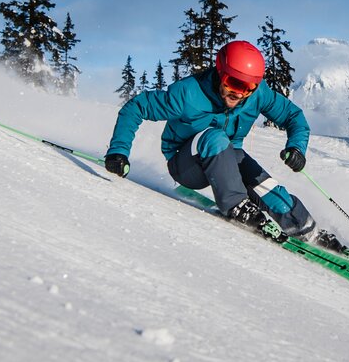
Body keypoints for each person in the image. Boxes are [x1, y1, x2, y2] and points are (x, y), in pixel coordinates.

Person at [102, 40, 317, 238]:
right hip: (186, 164)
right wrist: (118, 152)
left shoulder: (258, 95)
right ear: (221, 73)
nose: (239, 94)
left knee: (252, 171)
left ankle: (301, 225)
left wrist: (297, 147)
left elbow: (293, 116)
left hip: (225, 160)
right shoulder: (188, 94)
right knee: (213, 136)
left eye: (247, 88)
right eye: (233, 83)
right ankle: (237, 205)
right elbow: (136, 107)